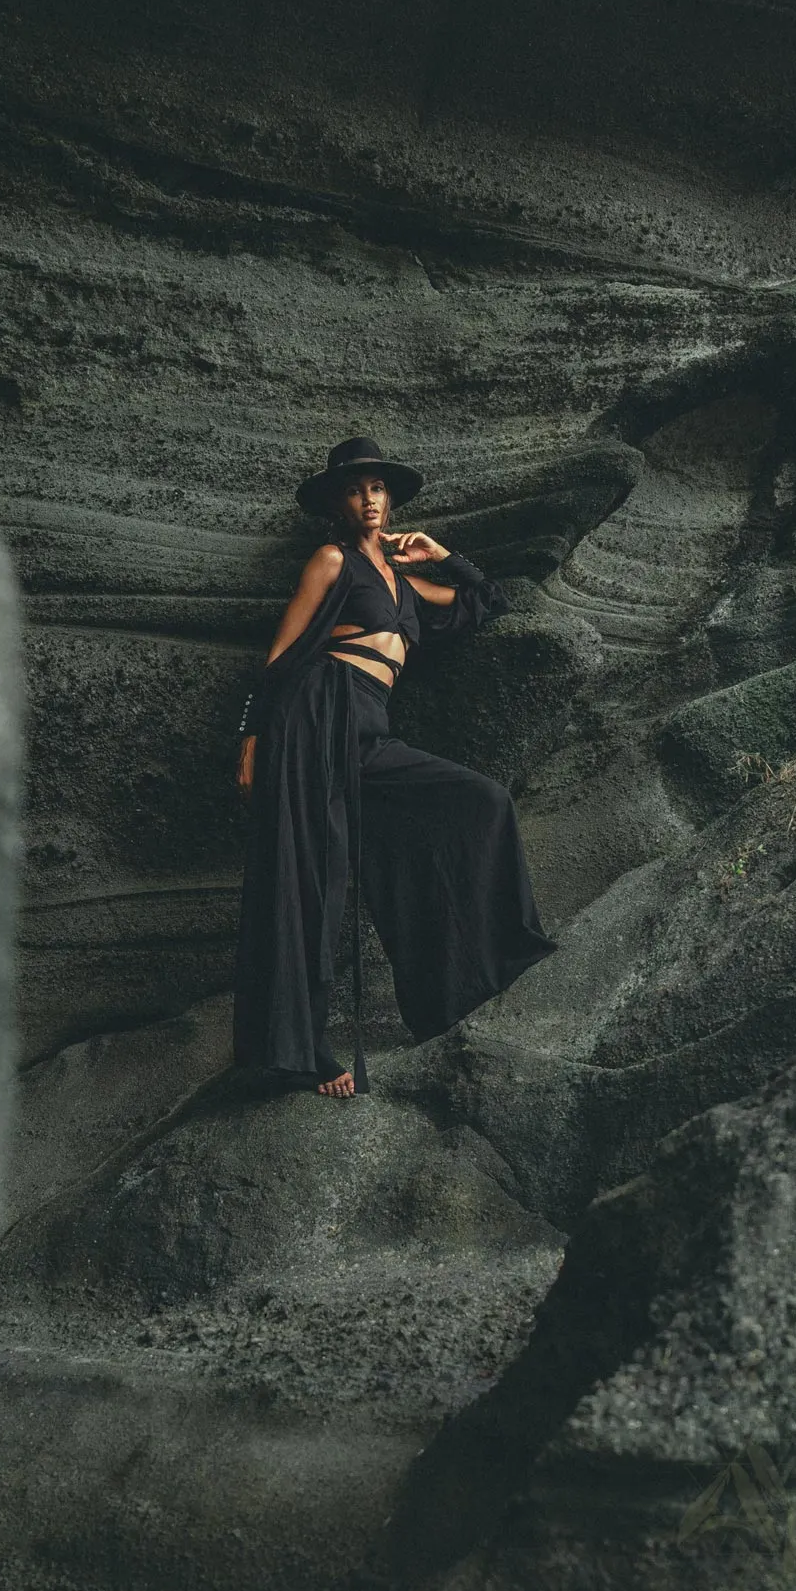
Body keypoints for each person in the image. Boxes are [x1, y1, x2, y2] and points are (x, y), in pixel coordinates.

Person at [232, 435, 556, 1098]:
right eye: (355, 489)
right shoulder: (330, 560)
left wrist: (446, 556)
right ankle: (307, 1056)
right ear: (336, 503)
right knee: (313, 882)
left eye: (377, 488)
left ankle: (487, 967)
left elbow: (485, 603)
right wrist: (251, 737)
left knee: (480, 801)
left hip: (369, 731)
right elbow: (280, 655)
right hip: (313, 717)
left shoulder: (404, 582)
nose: (368, 499)